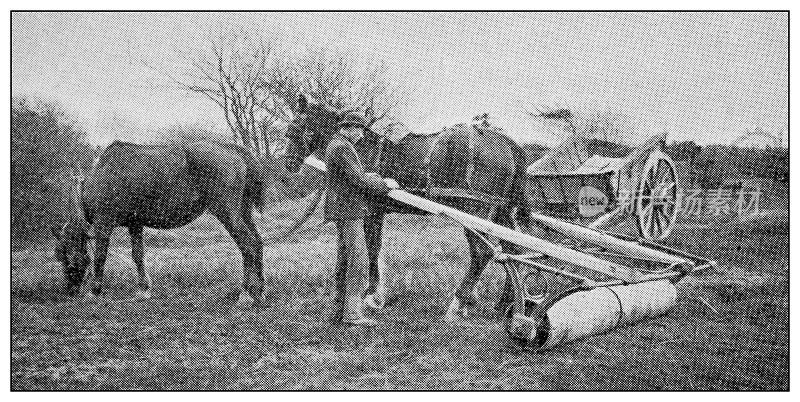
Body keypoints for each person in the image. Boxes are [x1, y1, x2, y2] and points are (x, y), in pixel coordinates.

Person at [324, 111, 398, 327]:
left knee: (345, 259)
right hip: (349, 211)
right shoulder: (342, 148)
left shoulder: (336, 145)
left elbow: (354, 175)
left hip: (344, 209)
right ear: (351, 128)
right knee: (359, 261)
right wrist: (386, 185)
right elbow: (357, 179)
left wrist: (373, 177)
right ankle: (353, 315)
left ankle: (339, 310)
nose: (362, 136)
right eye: (360, 131)